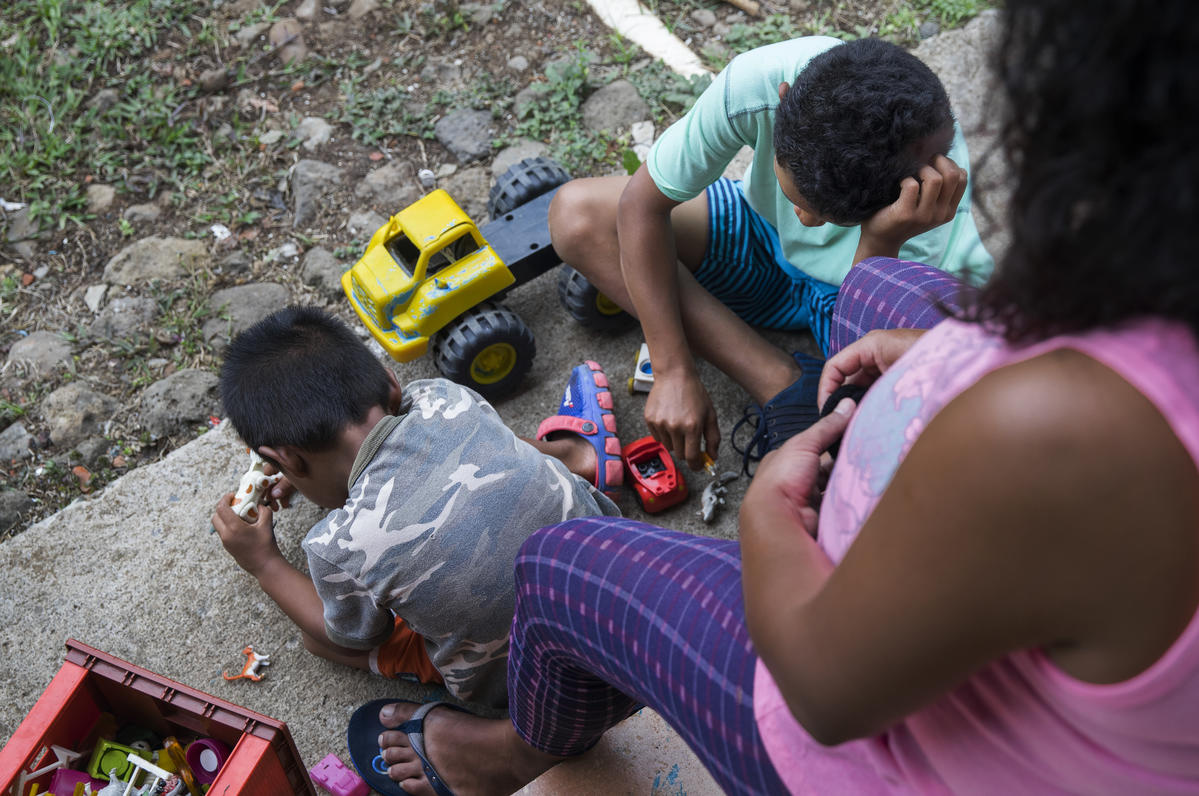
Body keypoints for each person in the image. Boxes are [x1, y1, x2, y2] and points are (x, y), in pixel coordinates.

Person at [371, 2, 1199, 793]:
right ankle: (786, 385)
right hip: (819, 294)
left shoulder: (1046, 421)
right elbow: (643, 208)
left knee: (553, 566)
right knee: (605, 220)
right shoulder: (776, 90)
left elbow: (826, 695)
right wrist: (681, 361)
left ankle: (514, 753)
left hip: (851, 747)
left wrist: (769, 508)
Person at [549, 36, 994, 473]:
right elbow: (640, 205)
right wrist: (671, 369)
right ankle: (779, 382)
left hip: (849, 293)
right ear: (784, 101)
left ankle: (805, 387)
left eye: (826, 216)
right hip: (761, 237)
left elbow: (861, 340)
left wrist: (881, 241)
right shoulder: (758, 83)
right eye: (795, 196)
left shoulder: (928, 202)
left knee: (900, 434)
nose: (803, 221)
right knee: (578, 216)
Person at [210, 306, 622, 709]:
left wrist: (263, 562)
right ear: (391, 385)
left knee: (317, 639)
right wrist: (297, 466)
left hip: (533, 688)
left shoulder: (337, 547)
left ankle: (424, 677)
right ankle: (577, 455)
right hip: (626, 592)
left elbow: (349, 634)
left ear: (285, 460)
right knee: (489, 448)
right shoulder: (445, 396)